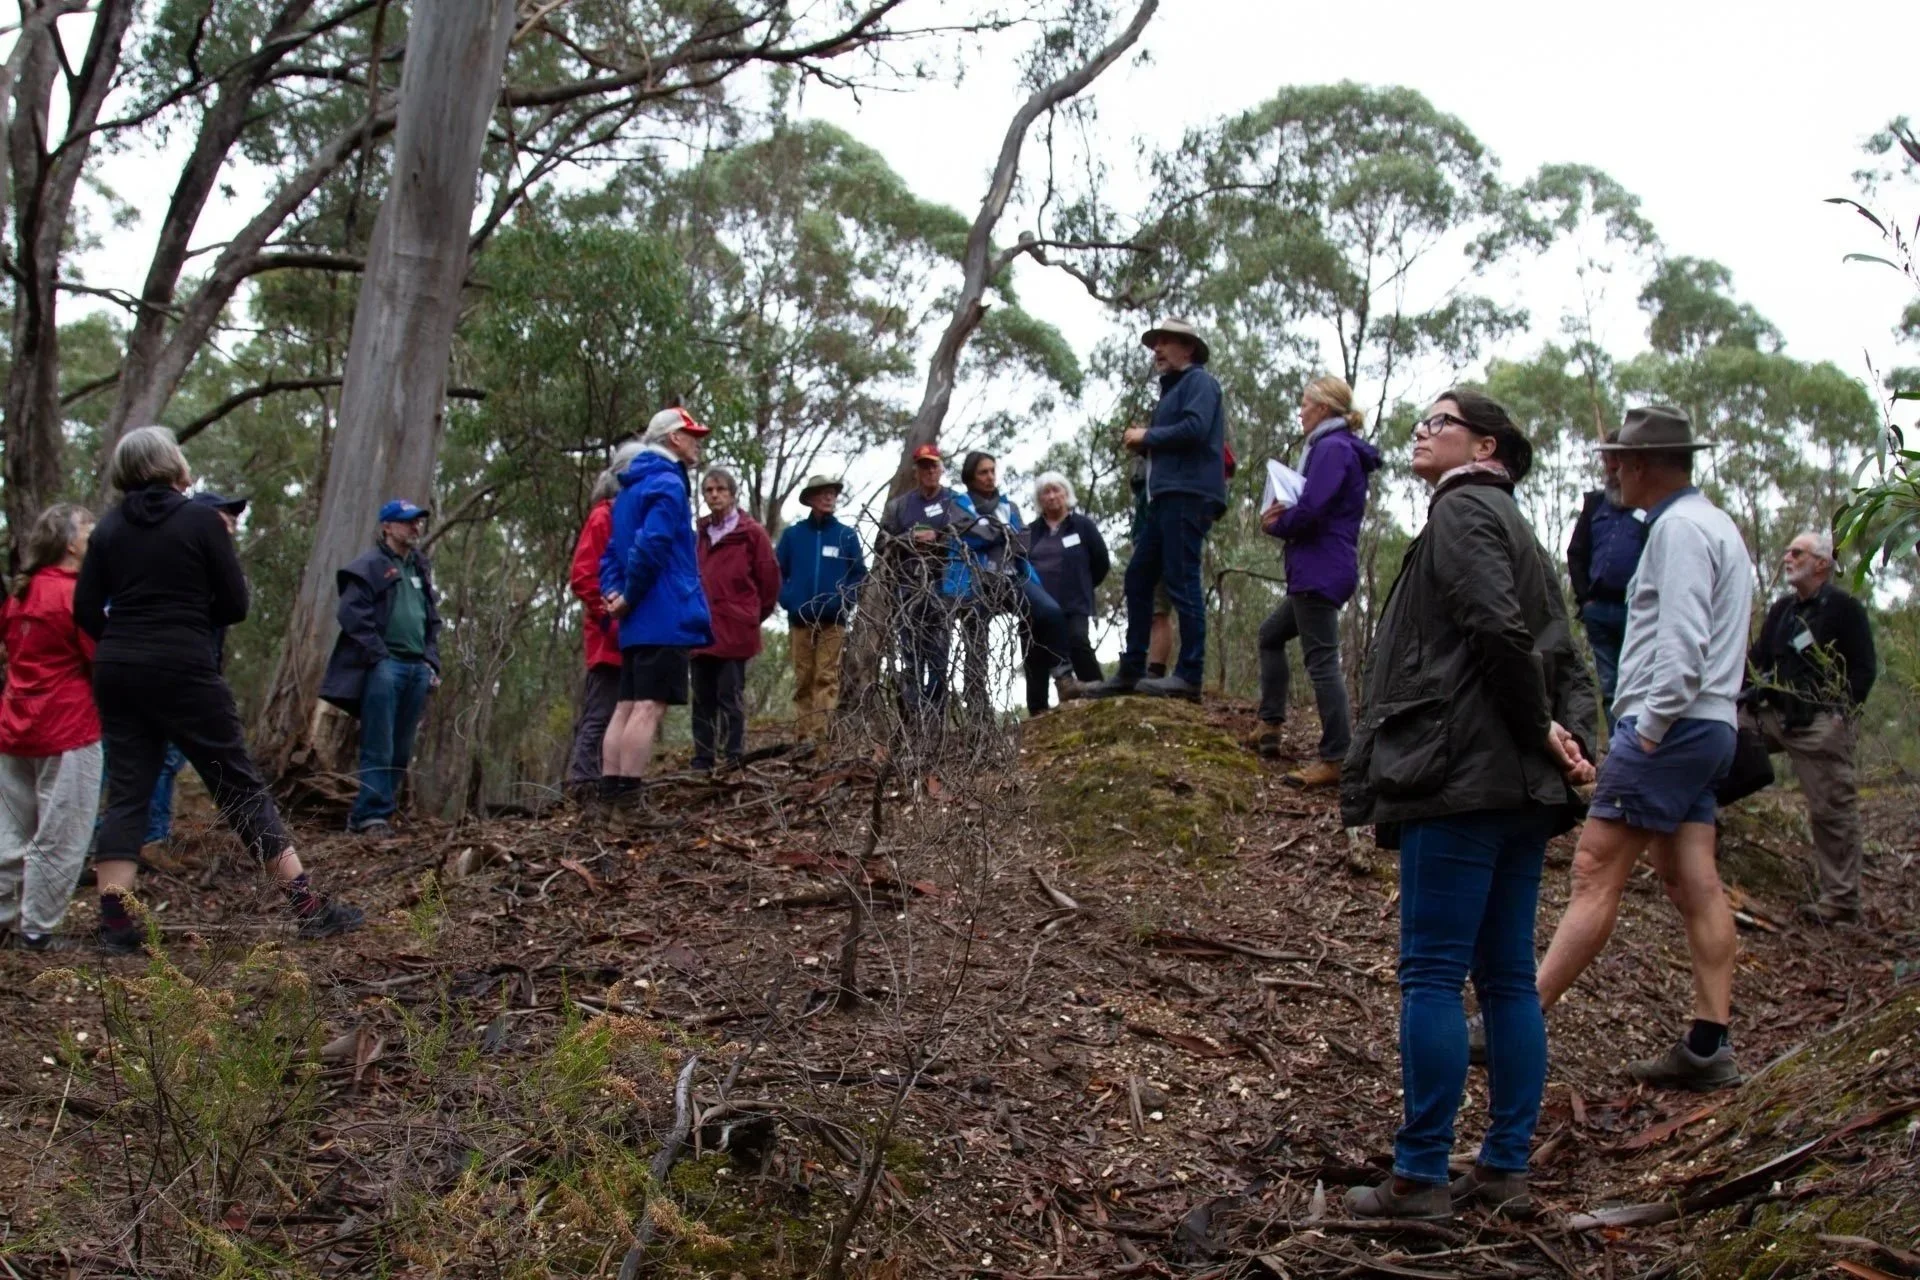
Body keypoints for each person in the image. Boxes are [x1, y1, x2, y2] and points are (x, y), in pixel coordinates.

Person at [1339, 390, 1597, 1221]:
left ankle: (1418, 1177)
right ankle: (1504, 1166)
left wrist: (1543, 729)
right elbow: (1560, 650)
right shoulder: (1516, 529)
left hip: (1463, 778)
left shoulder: (1463, 513)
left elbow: (1499, 632)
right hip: (1515, 785)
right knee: (1508, 980)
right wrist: (1567, 739)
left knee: (1432, 973)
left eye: (1438, 423)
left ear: (1486, 446)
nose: (1421, 433)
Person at [76, 426, 362, 953]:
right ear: (172, 464)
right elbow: (235, 605)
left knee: (128, 792)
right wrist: (180, 622)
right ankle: (307, 906)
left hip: (119, 669)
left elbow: (86, 611)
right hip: (184, 665)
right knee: (237, 784)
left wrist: (127, 639)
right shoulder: (199, 522)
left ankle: (116, 926)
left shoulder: (109, 529)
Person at [1535, 406, 1754, 1091]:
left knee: (1595, 867)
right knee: (1693, 878)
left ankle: (1515, 1017)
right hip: (1711, 726)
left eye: (1618, 462)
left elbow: (1682, 646)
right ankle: (1706, 1042)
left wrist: (1648, 731)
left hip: (1675, 723)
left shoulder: (1680, 530)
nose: (1612, 474)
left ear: (1641, 465)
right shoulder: (1715, 525)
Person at [1087, 317, 1227, 700]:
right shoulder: (1172, 391)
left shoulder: (1200, 382)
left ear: (1189, 348)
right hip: (1163, 500)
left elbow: (1196, 429)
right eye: (1155, 344)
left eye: (1166, 342)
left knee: (1182, 582)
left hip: (1188, 496)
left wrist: (1147, 436)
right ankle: (1132, 669)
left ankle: (1189, 675)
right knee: (1137, 578)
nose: (1157, 350)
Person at [1254, 375, 1381, 788]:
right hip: (1318, 566)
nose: (1301, 411)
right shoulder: (1331, 447)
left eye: (1306, 404)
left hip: (1320, 567)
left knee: (1323, 662)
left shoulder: (1332, 448)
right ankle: (1269, 725)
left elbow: (1311, 509)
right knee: (1270, 635)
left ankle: (1337, 757)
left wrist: (1276, 524)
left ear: (1324, 408)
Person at [1744, 530, 1876, 924]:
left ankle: (1840, 901)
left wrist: (1841, 714)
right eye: (1786, 551)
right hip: (1774, 716)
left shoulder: (1844, 609)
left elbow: (1864, 667)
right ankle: (1698, 832)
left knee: (1831, 810)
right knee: (1716, 735)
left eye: (1796, 552)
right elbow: (1758, 660)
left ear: (1821, 563)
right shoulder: (1783, 610)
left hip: (1820, 724)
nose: (1787, 557)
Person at [0, 505, 103, 949]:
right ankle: (37, 930)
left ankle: (5, 916)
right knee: (61, 832)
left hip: (16, 725)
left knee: (11, 829)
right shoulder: (74, 596)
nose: (95, 533)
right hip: (68, 727)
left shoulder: (20, 595)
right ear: (70, 543)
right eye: (87, 528)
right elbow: (99, 655)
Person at [598, 407, 714, 802]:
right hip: (662, 612)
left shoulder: (629, 488)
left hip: (635, 617)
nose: (698, 442)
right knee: (648, 706)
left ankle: (609, 797)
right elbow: (653, 544)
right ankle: (627, 801)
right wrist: (628, 596)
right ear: (673, 439)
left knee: (627, 705)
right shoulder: (667, 483)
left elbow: (612, 552)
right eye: (691, 434)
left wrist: (615, 594)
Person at [320, 499, 443, 838]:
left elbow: (431, 619)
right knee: (379, 743)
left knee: (402, 746)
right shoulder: (369, 566)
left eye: (417, 522)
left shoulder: (420, 567)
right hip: (385, 667)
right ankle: (370, 816)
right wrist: (379, 655)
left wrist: (431, 660)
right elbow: (352, 615)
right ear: (387, 527)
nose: (414, 528)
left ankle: (377, 813)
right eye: (406, 522)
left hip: (416, 668)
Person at [145, 490, 247, 847]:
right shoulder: (187, 561)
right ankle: (151, 838)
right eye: (226, 515)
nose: (233, 522)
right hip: (175, 675)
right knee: (159, 758)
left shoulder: (212, 561)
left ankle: (152, 835)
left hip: (197, 670)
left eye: (234, 517)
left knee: (167, 759)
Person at [942, 452, 1070, 718]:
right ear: (970, 477)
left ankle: (1063, 679)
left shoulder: (1008, 506)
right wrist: (1002, 532)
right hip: (975, 581)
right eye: (983, 472)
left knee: (1047, 612)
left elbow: (1023, 541)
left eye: (992, 471)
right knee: (975, 641)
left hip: (1012, 577)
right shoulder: (958, 504)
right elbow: (972, 536)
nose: (990, 477)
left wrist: (993, 532)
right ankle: (978, 706)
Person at [564, 441, 643, 795]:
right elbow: (582, 576)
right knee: (600, 712)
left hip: (634, 637)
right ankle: (582, 781)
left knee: (626, 712)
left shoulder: (633, 517)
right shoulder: (603, 516)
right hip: (607, 637)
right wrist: (608, 616)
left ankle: (612, 780)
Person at [691, 468, 780, 770]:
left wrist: (751, 615)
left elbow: (769, 581)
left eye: (720, 489)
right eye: (708, 490)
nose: (714, 495)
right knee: (702, 699)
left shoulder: (751, 533)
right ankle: (702, 759)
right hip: (701, 629)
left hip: (736, 630)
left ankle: (733, 756)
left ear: (732, 494)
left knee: (730, 696)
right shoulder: (699, 534)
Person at [775, 476, 867, 742]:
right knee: (803, 679)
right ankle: (802, 739)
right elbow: (777, 572)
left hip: (834, 620)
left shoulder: (846, 535)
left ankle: (821, 742)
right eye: (823, 493)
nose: (829, 498)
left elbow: (858, 575)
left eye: (832, 493)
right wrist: (788, 599)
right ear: (811, 499)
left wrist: (844, 602)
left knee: (827, 678)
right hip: (800, 619)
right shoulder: (793, 535)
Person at [1565, 433, 1648, 713]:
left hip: (1636, 609)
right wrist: (1585, 600)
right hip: (1599, 609)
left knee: (1639, 682)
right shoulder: (1595, 505)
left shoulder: (1649, 507)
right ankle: (1617, 747)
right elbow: (1576, 553)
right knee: (1610, 685)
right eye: (1607, 460)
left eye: (1618, 459)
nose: (1612, 467)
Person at [879, 445, 960, 722]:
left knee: (939, 656)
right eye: (924, 466)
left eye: (933, 466)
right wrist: (907, 539)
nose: (929, 471)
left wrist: (938, 538)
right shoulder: (899, 506)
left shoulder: (955, 502)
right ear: (916, 471)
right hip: (908, 587)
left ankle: (935, 720)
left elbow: (969, 538)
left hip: (942, 586)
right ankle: (913, 721)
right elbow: (882, 543)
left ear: (941, 468)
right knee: (911, 656)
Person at [1025, 471, 1109, 712]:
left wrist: (1083, 585)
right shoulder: (1031, 531)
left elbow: (1101, 562)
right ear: (1039, 499)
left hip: (1074, 602)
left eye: (1056, 490)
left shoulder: (1083, 526)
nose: (1051, 496)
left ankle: (1099, 695)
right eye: (1045, 492)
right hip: (1038, 606)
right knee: (1035, 653)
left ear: (1066, 493)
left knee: (1078, 642)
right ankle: (1038, 710)